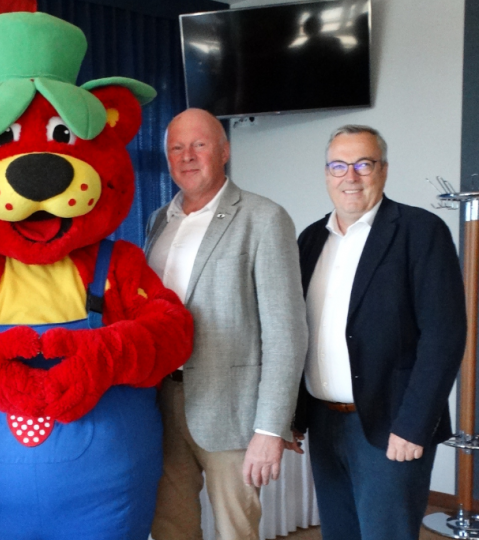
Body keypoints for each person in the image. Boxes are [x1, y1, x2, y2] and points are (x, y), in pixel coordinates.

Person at [289, 125, 466, 540]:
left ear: (382, 170)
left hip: (390, 426)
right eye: (338, 165)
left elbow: (444, 335)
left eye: (363, 164)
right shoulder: (311, 239)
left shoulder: (420, 232)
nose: (350, 176)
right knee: (339, 533)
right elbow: (301, 331)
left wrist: (413, 426)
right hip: (324, 421)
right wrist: (295, 413)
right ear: (327, 173)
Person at [145, 108, 308, 540]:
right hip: (162, 403)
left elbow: (286, 333)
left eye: (198, 144)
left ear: (224, 151)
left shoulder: (264, 217)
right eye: (176, 147)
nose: (187, 156)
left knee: (237, 532)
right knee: (169, 527)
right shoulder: (158, 221)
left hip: (232, 414)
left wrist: (270, 429)